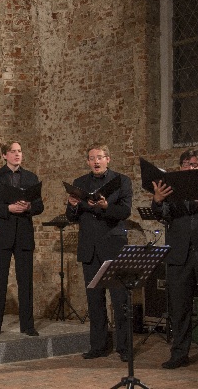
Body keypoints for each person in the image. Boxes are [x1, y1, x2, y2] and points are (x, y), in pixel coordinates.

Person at [151, 149, 198, 374]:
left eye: (194, 164)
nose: (189, 167)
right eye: (185, 164)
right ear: (180, 168)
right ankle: (179, 354)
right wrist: (157, 200)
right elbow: (161, 214)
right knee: (179, 309)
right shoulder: (172, 192)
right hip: (179, 257)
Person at [65, 143, 132, 362]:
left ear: (108, 159)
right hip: (90, 248)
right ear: (87, 161)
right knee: (95, 301)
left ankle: (124, 347)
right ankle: (98, 346)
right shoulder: (79, 183)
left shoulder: (121, 181)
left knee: (120, 300)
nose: (96, 161)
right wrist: (73, 205)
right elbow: (71, 217)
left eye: (100, 157)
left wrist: (105, 207)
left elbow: (124, 211)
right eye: (92, 158)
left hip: (114, 246)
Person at [0, 140, 44, 337]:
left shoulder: (31, 177)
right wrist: (7, 208)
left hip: (24, 234)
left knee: (25, 282)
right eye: (13, 151)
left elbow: (40, 206)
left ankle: (27, 325)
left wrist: (29, 207)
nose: (18, 154)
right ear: (4, 155)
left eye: (20, 151)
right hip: (1, 234)